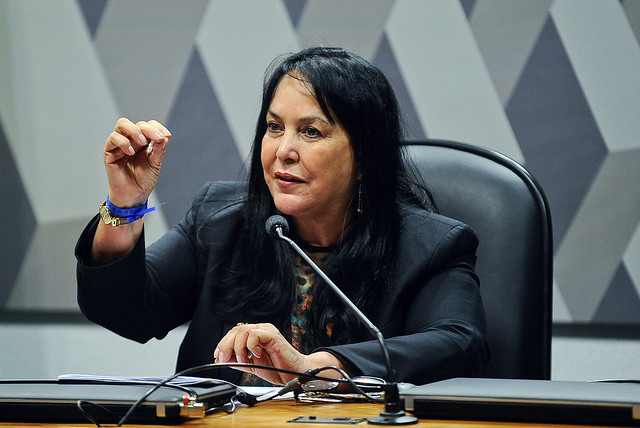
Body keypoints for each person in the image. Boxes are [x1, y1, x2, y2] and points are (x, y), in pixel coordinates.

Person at [75, 46, 489, 387]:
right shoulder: (221, 222)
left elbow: (459, 346)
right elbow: (123, 310)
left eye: (311, 132)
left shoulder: (431, 246)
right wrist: (125, 204)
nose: (282, 150)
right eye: (274, 127)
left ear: (366, 155)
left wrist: (319, 367)